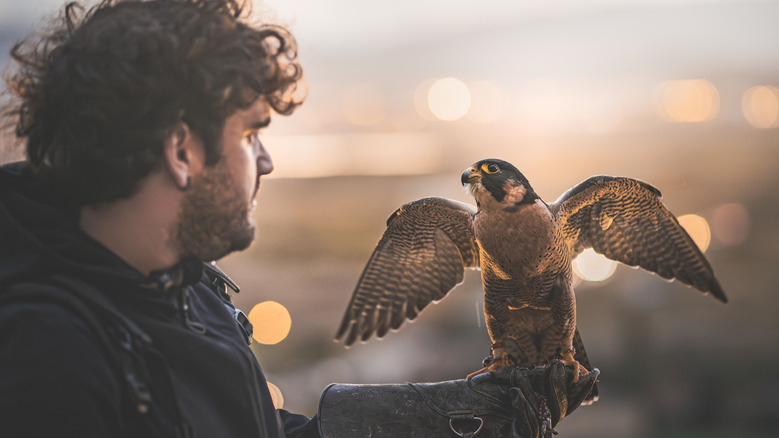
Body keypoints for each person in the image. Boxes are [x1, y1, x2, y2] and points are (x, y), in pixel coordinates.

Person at [0, 1, 596, 437]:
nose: (267, 159)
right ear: (181, 151)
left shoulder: (180, 289)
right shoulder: (44, 359)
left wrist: (440, 417)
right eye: (251, 133)